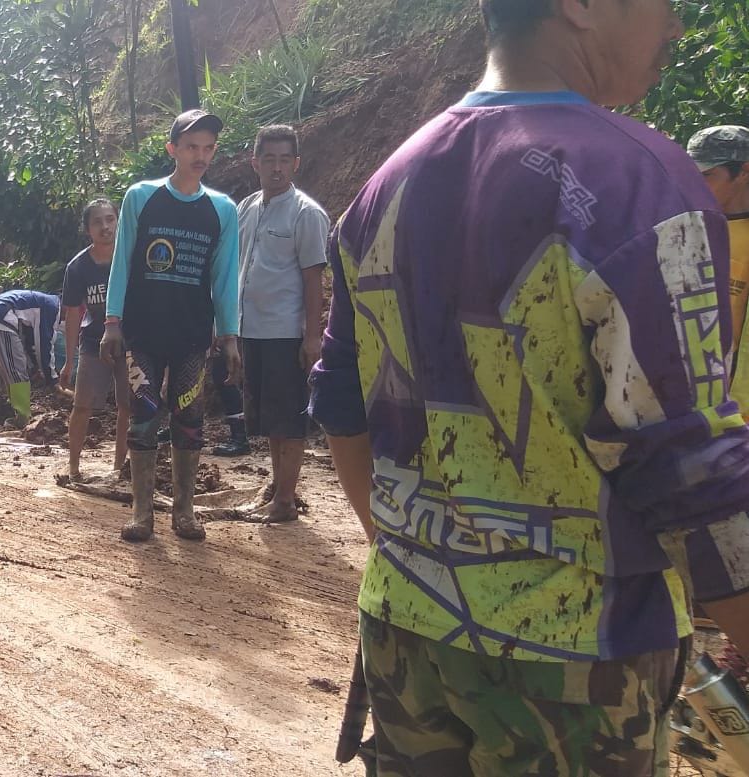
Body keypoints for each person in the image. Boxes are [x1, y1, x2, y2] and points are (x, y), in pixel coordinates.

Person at [309, 2, 749, 774]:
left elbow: (341, 398)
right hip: (577, 658)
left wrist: (414, 557)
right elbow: (687, 460)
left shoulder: (386, 181)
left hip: (406, 626)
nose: (675, 27)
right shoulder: (634, 177)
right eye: (663, 5)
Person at [102, 109, 240, 543]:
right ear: (172, 150)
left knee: (190, 418)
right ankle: (142, 511)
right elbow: (122, 260)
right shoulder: (141, 198)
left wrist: (230, 334)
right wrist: (112, 320)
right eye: (192, 147)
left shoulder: (222, 209)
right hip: (142, 331)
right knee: (143, 415)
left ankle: (185, 510)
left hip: (192, 335)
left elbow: (224, 277)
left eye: (208, 148)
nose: (201, 156)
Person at [232, 125, 329, 523]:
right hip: (251, 331)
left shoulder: (306, 214)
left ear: (296, 163)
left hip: (285, 333)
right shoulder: (247, 208)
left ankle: (286, 501)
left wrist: (312, 336)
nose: (276, 167)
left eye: (284, 159)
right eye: (268, 158)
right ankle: (278, 491)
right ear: (255, 162)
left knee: (288, 418)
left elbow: (313, 280)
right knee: (270, 417)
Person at [60, 198, 130, 481]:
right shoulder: (78, 268)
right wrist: (68, 360)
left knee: (128, 406)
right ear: (87, 229)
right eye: (97, 222)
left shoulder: (132, 258)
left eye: (110, 219)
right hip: (92, 344)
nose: (105, 227)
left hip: (131, 343)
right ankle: (73, 466)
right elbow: (73, 314)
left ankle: (118, 468)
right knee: (82, 405)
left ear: (118, 221)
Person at [689, 126, 749, 409]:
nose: (697, 186)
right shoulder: (691, 229)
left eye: (707, 176)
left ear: (744, 171)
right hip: (701, 403)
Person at [0, 289, 60, 427]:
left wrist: (35, 366)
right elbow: (43, 344)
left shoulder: (45, 302)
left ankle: (19, 412)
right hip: (2, 318)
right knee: (15, 369)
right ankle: (22, 417)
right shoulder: (51, 308)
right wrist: (52, 378)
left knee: (14, 367)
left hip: (1, 316)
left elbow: (31, 340)